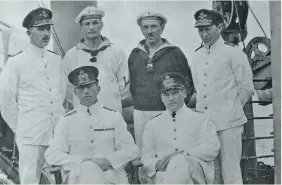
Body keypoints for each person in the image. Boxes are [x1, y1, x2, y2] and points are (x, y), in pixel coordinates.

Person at [0, 8, 66, 184]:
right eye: (41, 29)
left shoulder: (56, 61)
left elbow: (61, 93)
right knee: (30, 180)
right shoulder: (16, 63)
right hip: (31, 136)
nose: (46, 33)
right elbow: (5, 102)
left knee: (61, 178)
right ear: (29, 32)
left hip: (57, 133)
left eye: (48, 29)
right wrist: (22, 129)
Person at [190, 9, 254, 184]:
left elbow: (246, 87)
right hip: (205, 124)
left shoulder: (233, 53)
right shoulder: (196, 56)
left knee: (231, 171)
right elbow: (198, 88)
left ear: (220, 27)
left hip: (229, 124)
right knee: (211, 172)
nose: (204, 34)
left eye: (208, 28)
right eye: (200, 30)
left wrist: (231, 110)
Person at [45, 66, 139, 184]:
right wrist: (82, 162)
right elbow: (51, 153)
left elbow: (131, 149)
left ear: (98, 88)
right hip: (78, 178)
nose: (86, 91)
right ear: (75, 92)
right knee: (88, 169)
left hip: (109, 178)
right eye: (81, 87)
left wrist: (107, 161)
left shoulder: (113, 117)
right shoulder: (67, 120)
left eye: (90, 86)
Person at [128, 10, 194, 149]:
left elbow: (188, 85)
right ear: (141, 29)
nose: (149, 31)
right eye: (145, 27)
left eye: (154, 26)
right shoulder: (134, 55)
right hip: (141, 114)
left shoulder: (175, 53)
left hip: (167, 111)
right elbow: (132, 86)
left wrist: (175, 108)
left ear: (162, 28)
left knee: (167, 152)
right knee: (144, 154)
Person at [141, 72, 219, 184]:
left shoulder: (201, 119)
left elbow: (211, 149)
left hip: (195, 172)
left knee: (180, 161)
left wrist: (184, 154)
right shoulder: (152, 124)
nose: (171, 98)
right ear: (162, 98)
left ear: (184, 93)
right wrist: (156, 164)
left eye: (175, 93)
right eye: (167, 95)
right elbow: (146, 157)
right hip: (164, 174)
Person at [63, 6, 130, 113]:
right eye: (87, 24)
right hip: (83, 114)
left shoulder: (116, 52)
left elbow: (124, 88)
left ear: (101, 25)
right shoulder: (71, 56)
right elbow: (68, 89)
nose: (91, 27)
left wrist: (110, 99)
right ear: (81, 27)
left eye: (95, 23)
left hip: (111, 112)